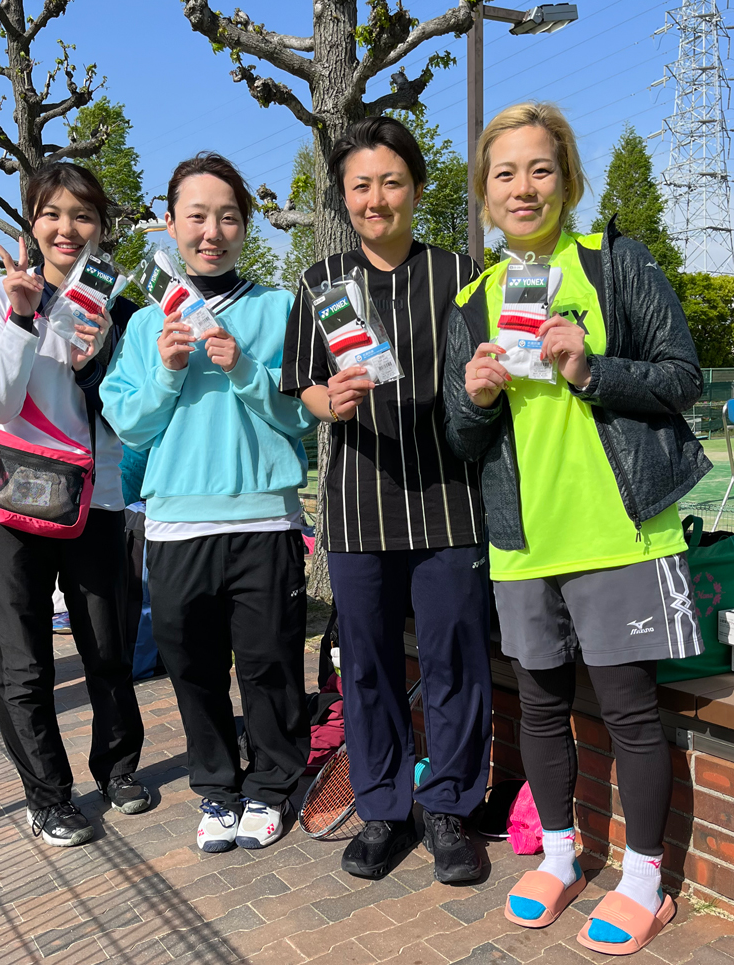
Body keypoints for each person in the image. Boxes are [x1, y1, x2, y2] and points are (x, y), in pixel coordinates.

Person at [444, 103, 710, 955]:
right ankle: (559, 856)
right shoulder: (472, 301)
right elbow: (462, 436)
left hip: (619, 534)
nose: (523, 188)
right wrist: (474, 398)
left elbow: (682, 377)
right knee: (541, 706)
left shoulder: (613, 262)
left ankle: (645, 881)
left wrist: (591, 368)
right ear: (484, 192)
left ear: (568, 179)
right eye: (505, 173)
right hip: (524, 541)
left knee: (630, 710)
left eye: (540, 169)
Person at [281, 116, 491, 884]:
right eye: (361, 185)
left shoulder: (462, 275)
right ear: (344, 196)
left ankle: (450, 806)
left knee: (454, 659)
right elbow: (301, 382)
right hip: (358, 504)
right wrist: (327, 401)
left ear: (418, 189)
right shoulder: (320, 282)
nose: (376, 199)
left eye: (391, 182)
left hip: (448, 499)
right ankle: (381, 807)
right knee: (366, 664)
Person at [101, 152, 317, 853]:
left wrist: (247, 369)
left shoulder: (279, 309)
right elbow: (129, 425)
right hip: (175, 525)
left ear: (246, 226)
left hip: (265, 519)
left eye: (227, 217)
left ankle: (272, 785)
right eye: (196, 216)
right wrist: (167, 371)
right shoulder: (146, 324)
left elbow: (304, 415)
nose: (211, 231)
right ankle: (218, 788)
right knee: (193, 668)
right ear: (171, 224)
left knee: (269, 663)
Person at [0, 162, 150, 849]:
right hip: (11, 499)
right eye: (52, 213)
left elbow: (130, 418)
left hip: (95, 501)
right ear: (32, 220)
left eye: (83, 215)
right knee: (25, 660)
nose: (67, 228)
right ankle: (47, 796)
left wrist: (94, 360)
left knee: (108, 645)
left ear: (100, 228)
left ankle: (118, 767)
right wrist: (21, 317)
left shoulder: (119, 309)